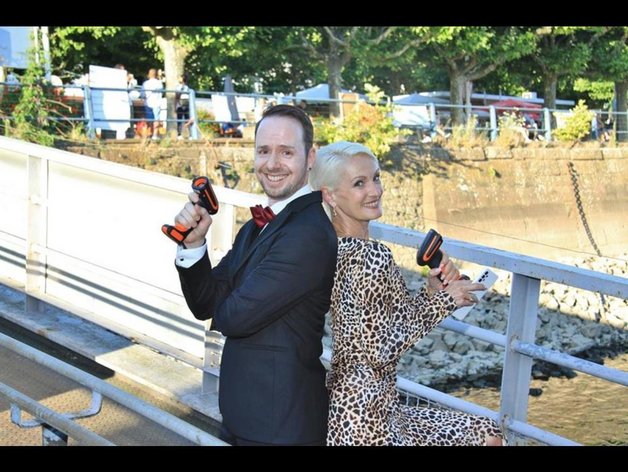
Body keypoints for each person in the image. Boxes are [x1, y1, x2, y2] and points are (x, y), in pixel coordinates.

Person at [309, 141, 505, 446]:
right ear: (330, 195)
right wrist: (446, 301)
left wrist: (430, 293)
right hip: (369, 424)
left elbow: (382, 323)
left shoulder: (334, 248)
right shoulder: (372, 256)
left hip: (354, 412)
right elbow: (378, 352)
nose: (374, 190)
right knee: (488, 434)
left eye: (376, 178)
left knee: (486, 432)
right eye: (359, 183)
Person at [171, 104, 337, 445]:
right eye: (263, 151)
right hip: (247, 417)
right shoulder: (254, 227)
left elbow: (232, 318)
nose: (272, 163)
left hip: (281, 427)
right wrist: (194, 244)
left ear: (310, 157)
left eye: (286, 152)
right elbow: (205, 304)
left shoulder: (308, 233)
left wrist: (227, 295)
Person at [141, 68, 163, 140]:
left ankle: (150, 133)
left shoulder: (145, 83)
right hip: (157, 103)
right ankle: (155, 135)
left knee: (149, 119)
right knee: (156, 119)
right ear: (156, 75)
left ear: (149, 75)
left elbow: (142, 95)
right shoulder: (159, 83)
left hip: (148, 103)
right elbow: (162, 93)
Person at [175, 73, 190, 139]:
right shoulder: (178, 87)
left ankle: (189, 134)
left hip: (185, 104)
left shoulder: (187, 87)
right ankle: (179, 134)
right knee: (179, 120)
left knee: (187, 119)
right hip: (180, 105)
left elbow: (177, 96)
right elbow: (176, 96)